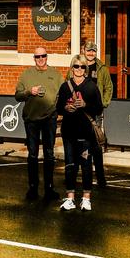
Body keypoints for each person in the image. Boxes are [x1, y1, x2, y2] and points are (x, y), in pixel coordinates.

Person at [15, 46, 62, 202]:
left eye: (43, 56)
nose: (41, 59)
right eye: (37, 57)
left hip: (49, 119)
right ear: (34, 58)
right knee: (33, 154)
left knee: (49, 154)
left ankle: (49, 188)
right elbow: (18, 96)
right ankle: (33, 188)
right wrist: (30, 91)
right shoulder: (26, 74)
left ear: (47, 57)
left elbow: (62, 94)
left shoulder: (55, 74)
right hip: (31, 119)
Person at [56, 55, 103, 211]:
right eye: (76, 66)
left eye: (82, 67)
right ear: (72, 68)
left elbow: (99, 108)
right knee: (70, 165)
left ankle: (86, 198)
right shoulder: (65, 86)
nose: (79, 70)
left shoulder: (91, 86)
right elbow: (58, 107)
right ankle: (70, 198)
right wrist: (65, 108)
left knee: (86, 165)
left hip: (85, 133)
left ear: (86, 69)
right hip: (69, 131)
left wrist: (85, 104)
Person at [80, 40, 113, 187]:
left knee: (96, 145)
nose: (91, 53)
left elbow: (108, 87)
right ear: (83, 50)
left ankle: (101, 178)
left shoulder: (102, 68)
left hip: (95, 112)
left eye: (93, 50)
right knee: (78, 143)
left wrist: (103, 103)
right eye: (88, 50)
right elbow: (68, 83)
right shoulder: (77, 64)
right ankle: (74, 174)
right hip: (79, 112)